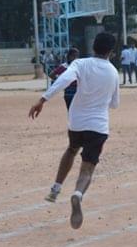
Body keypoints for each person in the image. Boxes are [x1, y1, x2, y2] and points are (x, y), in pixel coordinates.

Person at [29, 32, 120, 229]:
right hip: (98, 126)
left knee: (71, 149)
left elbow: (63, 80)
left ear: (93, 46)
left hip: (77, 122)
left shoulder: (80, 63)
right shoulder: (113, 72)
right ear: (111, 51)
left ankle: (56, 188)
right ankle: (78, 194)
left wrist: (43, 99)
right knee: (87, 167)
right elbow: (114, 104)